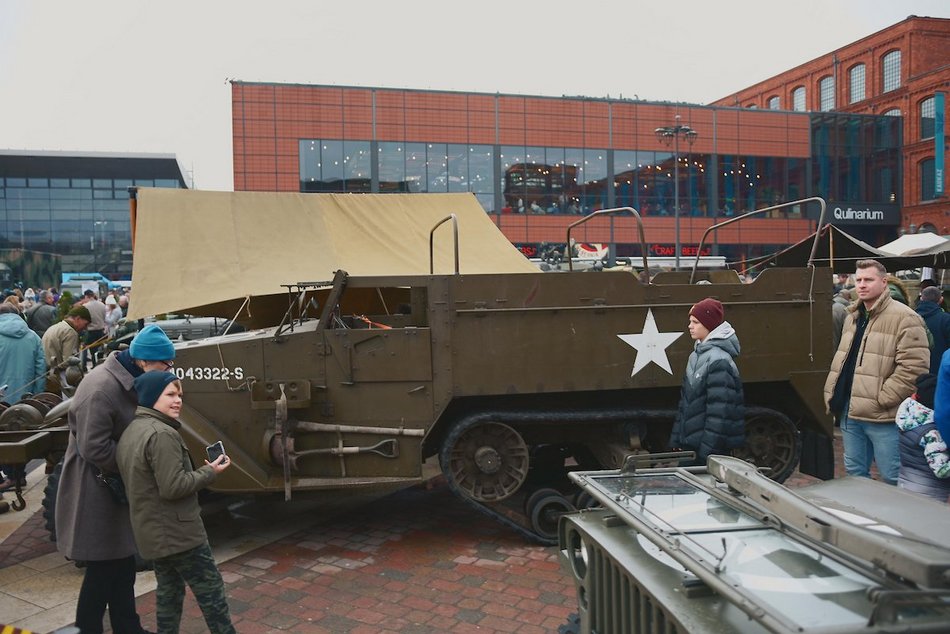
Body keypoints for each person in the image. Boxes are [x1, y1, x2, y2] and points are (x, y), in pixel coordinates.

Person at [55, 323, 177, 634]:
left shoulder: (130, 377)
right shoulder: (100, 388)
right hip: (93, 489)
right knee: (102, 568)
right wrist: (138, 465)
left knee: (122, 563)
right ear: (144, 361)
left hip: (112, 485)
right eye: (165, 364)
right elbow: (94, 447)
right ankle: (88, 628)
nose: (169, 369)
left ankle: (127, 627)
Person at [117, 372, 235, 634]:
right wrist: (210, 473)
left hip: (154, 532)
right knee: (212, 594)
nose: (178, 400)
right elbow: (173, 487)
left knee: (169, 593)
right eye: (170, 394)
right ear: (150, 397)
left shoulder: (133, 429)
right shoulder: (162, 434)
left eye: (179, 395)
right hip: (179, 532)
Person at [824, 259, 930, 485]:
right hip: (849, 411)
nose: (861, 285)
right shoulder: (852, 315)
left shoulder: (905, 317)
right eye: (859, 279)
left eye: (868, 280)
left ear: (884, 282)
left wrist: (882, 399)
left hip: (882, 415)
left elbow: (914, 368)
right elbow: (844, 358)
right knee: (855, 475)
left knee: (893, 477)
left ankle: (897, 520)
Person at [669, 298, 745, 464]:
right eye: (690, 321)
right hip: (691, 447)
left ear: (709, 324)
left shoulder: (719, 361)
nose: (690, 326)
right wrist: (677, 439)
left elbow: (719, 413)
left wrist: (707, 452)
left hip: (706, 452)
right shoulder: (695, 356)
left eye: (695, 322)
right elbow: (685, 404)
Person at [0, 302, 46, 491]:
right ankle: (17, 475)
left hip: (2, 395)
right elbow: (41, 369)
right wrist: (36, 396)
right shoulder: (33, 336)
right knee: (19, 434)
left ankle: (8, 476)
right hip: (25, 397)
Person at [895, 373, 950, 502]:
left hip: (905, 483)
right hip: (928, 495)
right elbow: (941, 470)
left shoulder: (910, 418)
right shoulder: (932, 434)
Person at [42, 306, 90, 396]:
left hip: (47, 374)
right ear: (78, 318)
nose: (85, 328)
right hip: (60, 377)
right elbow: (69, 361)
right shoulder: (70, 332)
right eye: (85, 324)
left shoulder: (55, 327)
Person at [916, 285, 950, 372]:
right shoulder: (946, 319)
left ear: (921, 299)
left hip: (914, 370)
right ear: (941, 300)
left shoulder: (910, 317)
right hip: (939, 370)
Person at [82, 290, 108, 368]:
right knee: (100, 349)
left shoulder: (85, 306)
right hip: (100, 330)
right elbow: (104, 317)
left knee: (92, 351)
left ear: (86, 296)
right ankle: (100, 365)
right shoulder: (102, 305)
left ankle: (93, 365)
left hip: (90, 331)